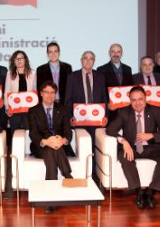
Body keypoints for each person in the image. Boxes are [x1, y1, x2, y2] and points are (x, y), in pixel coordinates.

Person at [106, 86, 160, 209]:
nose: (137, 103)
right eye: (134, 100)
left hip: (150, 146)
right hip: (131, 147)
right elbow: (110, 129)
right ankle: (139, 193)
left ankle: (151, 191)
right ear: (130, 100)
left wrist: (151, 135)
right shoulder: (123, 112)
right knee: (124, 157)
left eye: (140, 99)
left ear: (146, 98)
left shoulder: (154, 111)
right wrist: (123, 141)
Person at [28, 81, 74, 213]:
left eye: (52, 92)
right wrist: (46, 141)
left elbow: (68, 131)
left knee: (51, 152)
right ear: (41, 94)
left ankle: (50, 199)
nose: (49, 95)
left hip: (58, 144)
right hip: (41, 145)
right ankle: (67, 175)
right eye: (46, 92)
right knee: (49, 149)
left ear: (55, 94)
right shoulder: (33, 110)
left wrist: (63, 140)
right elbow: (33, 133)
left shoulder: (63, 109)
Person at [64, 51, 107, 182]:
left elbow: (104, 98)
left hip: (96, 120)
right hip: (79, 120)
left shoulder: (100, 76)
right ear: (81, 60)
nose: (88, 61)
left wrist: (106, 116)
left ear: (94, 61)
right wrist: (70, 117)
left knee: (95, 146)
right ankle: (82, 173)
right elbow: (68, 100)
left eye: (91, 59)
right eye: (85, 58)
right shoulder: (72, 76)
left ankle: (93, 175)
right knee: (82, 146)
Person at [97, 43, 134, 121]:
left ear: (122, 53)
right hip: (111, 110)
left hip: (126, 109)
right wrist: (107, 104)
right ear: (109, 53)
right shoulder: (101, 69)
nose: (116, 54)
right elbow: (100, 90)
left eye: (118, 52)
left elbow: (131, 88)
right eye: (113, 52)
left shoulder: (128, 69)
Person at [4, 51, 37, 135]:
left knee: (30, 133)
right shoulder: (10, 74)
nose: (19, 60)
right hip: (15, 110)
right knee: (15, 134)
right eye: (16, 59)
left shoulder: (33, 73)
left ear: (25, 59)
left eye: (21, 58)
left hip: (29, 110)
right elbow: (7, 91)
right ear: (13, 62)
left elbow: (35, 91)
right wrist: (7, 108)